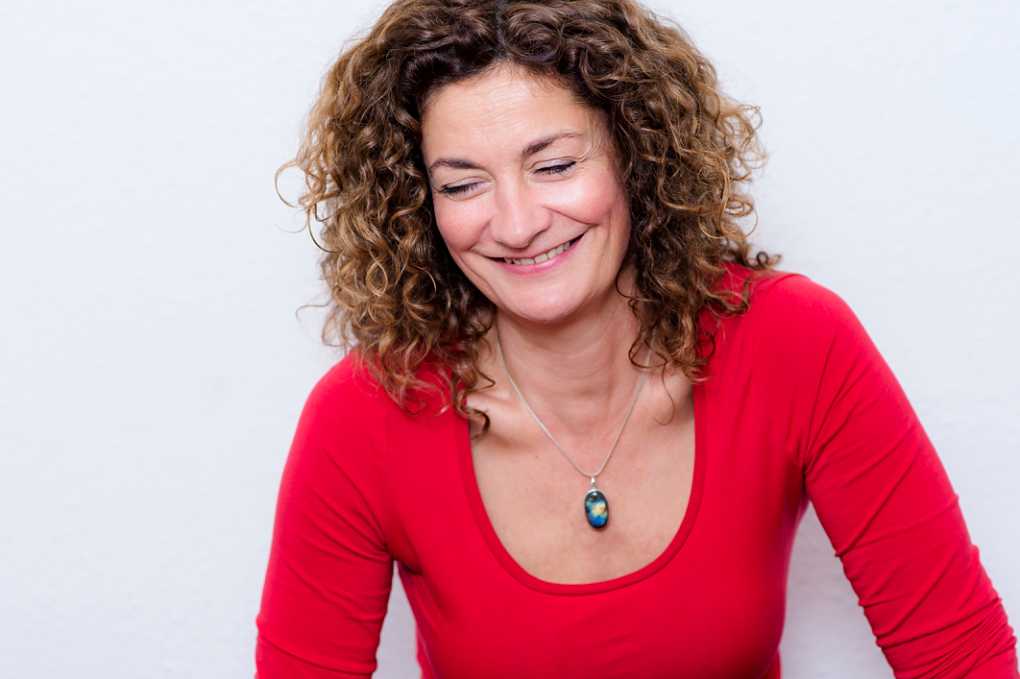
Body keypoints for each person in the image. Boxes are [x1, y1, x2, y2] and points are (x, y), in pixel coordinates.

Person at [253, 0, 1019, 677]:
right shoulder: (363, 414)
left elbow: (961, 659)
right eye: (462, 184)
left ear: (636, 155)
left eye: (553, 165)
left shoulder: (794, 343)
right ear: (420, 205)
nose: (516, 224)